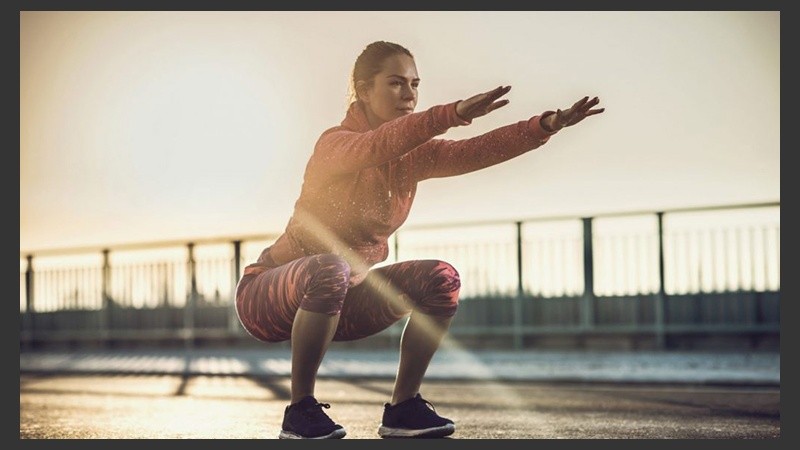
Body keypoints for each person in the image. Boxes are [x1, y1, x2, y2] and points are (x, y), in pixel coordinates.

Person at [234, 40, 604, 439]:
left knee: (441, 278)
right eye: (395, 83)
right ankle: (300, 409)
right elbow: (380, 144)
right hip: (268, 296)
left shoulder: (413, 158)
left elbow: (476, 151)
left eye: (414, 84)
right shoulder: (335, 146)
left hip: (341, 301)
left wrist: (544, 126)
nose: (408, 94)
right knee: (331, 268)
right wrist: (452, 113)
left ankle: (403, 407)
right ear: (363, 90)